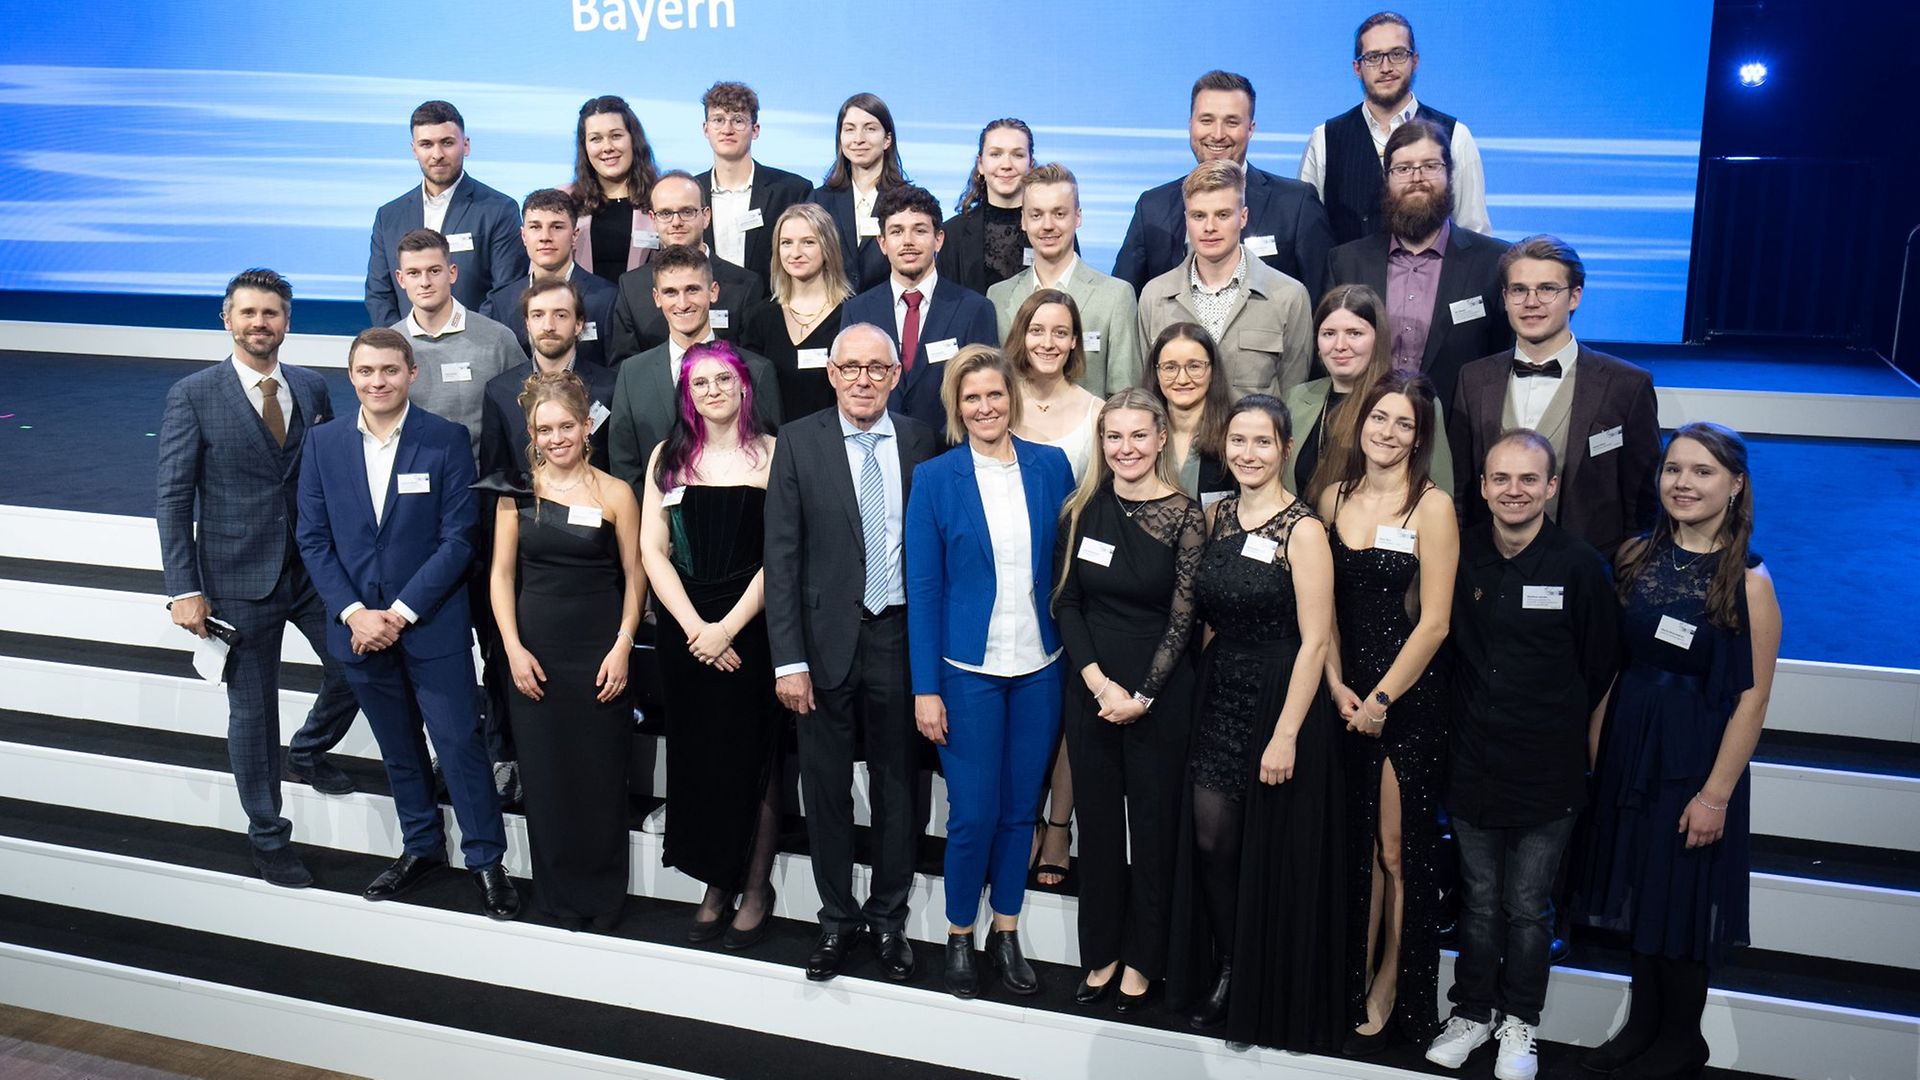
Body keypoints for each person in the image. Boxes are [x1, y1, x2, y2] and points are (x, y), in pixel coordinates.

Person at [1574, 423, 1780, 1080]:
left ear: (1735, 485)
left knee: (1681, 894)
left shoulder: (1748, 582)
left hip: (1693, 755)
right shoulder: (1635, 557)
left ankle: (1682, 1037)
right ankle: (1642, 1023)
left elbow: (1753, 700)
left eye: (1702, 472)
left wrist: (1715, 793)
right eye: (1674, 470)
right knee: (1637, 879)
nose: (1684, 484)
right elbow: (1614, 664)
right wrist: (1599, 752)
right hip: (1631, 740)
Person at [295, 328, 517, 920]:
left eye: (390, 370)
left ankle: (486, 860)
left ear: (412, 374)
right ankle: (421, 848)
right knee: (398, 749)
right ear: (352, 377)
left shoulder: (444, 440)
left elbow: (458, 538)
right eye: (366, 372)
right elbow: (313, 540)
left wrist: (398, 613)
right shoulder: (323, 444)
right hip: (356, 629)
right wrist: (354, 614)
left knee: (458, 744)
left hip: (430, 625)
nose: (378, 381)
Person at [154, 268, 360, 888]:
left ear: (287, 322)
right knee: (252, 712)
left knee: (358, 666)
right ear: (226, 318)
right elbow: (172, 495)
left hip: (312, 570)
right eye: (247, 313)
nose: (259, 323)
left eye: (271, 313)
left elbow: (325, 476)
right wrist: (182, 587)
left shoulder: (312, 386)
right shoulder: (193, 394)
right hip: (236, 579)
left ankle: (308, 749)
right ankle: (268, 837)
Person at [1425, 431, 1619, 1079]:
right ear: (1481, 485)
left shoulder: (1581, 566)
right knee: (1478, 902)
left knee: (1528, 907)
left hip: (1548, 770)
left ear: (1552, 487)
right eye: (1501, 479)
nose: (1514, 491)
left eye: (1529, 480)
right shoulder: (1465, 554)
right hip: (1473, 762)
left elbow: (1599, 667)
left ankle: (1520, 1023)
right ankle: (1472, 1012)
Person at [763, 322, 943, 983]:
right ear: (831, 374)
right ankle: (836, 922)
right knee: (827, 790)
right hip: (821, 644)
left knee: (901, 787)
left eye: (878, 368)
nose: (864, 379)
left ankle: (889, 920)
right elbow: (781, 558)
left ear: (896, 376)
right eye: (851, 368)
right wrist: (788, 660)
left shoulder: (923, 441)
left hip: (899, 635)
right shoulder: (798, 441)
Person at [1174, 394, 1343, 1049]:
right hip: (1220, 690)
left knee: (1268, 847)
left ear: (1285, 449)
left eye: (1262, 442)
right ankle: (1229, 960)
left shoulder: (1303, 530)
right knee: (1213, 838)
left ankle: (1253, 977)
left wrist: (1286, 733)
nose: (1248, 453)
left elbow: (1316, 641)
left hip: (1280, 695)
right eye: (1238, 441)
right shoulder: (1215, 514)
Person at [906, 346, 1075, 999]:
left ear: (1013, 399)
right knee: (972, 814)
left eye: (994, 396)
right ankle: (958, 938)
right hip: (965, 672)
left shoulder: (1052, 466)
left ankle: (1006, 931)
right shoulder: (936, 478)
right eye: (971, 398)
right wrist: (926, 687)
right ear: (957, 407)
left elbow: (1065, 567)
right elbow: (924, 589)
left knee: (1016, 811)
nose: (984, 407)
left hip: (1039, 666)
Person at [1316, 369, 1456, 1054]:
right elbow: (1323, 609)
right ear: (1360, 423)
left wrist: (1377, 701)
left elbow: (1434, 623)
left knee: (1397, 851)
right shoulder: (1332, 494)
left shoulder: (1431, 506)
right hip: (1344, 696)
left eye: (1404, 424)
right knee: (1357, 848)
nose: (1389, 433)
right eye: (1380, 419)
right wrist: (1339, 685)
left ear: (1419, 436)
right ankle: (1353, 974)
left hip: (1405, 699)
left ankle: (1394, 985)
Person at [1052, 388, 1204, 1012]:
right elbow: (1066, 602)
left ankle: (1145, 959)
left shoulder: (1188, 516)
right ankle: (1102, 954)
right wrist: (1097, 684)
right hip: (1091, 690)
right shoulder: (1081, 509)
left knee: (1153, 827)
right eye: (1114, 437)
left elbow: (1184, 619)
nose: (1126, 448)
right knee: (1101, 828)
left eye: (1139, 435)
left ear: (1162, 439)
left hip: (1160, 697)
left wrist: (1140, 694)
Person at [637, 341, 784, 950]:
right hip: (684, 629)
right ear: (687, 395)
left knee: (754, 759)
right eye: (701, 384)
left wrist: (727, 628)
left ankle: (754, 886)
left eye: (724, 379)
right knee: (700, 759)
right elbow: (652, 550)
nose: (714, 391)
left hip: (753, 626)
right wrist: (698, 629)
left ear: (745, 386)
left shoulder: (776, 454)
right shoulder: (666, 458)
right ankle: (714, 884)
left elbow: (782, 554)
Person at [485, 372, 644, 931]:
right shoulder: (515, 492)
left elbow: (635, 576)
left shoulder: (616, 493)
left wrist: (624, 646)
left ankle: (602, 898)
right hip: (535, 654)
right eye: (545, 429)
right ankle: (555, 895)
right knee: (547, 780)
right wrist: (512, 649)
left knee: (600, 776)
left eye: (567, 426)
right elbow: (501, 577)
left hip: (601, 652)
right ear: (532, 433)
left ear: (586, 427)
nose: (557, 438)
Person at [1448, 236, 1660, 559]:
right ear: (1504, 298)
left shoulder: (1626, 385)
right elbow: (1460, 489)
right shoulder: (1473, 378)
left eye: (1547, 289)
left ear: (1574, 296)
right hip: (1488, 573)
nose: (1531, 302)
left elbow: (1642, 503)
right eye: (1519, 290)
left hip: (1588, 577)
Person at [1325, 120, 1509, 408]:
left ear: (1449, 174)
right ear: (1386, 179)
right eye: (1403, 168)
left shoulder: (1493, 263)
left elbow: (1503, 361)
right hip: (1364, 434)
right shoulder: (1346, 262)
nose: (1417, 178)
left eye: (1430, 166)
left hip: (1457, 436)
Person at [1114, 71, 1333, 300]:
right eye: (1206, 120)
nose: (1217, 135)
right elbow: (1122, 299)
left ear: (1251, 128)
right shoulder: (1152, 207)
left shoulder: (1295, 203)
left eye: (1231, 122)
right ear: (1191, 125)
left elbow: (1324, 303)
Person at [1302, 11, 1492, 245]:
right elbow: (1307, 236)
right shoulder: (1324, 139)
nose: (1386, 67)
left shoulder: (1455, 136)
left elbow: (1474, 234)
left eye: (1397, 54)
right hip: (1349, 280)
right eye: (1373, 57)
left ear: (1415, 61)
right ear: (1357, 68)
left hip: (1437, 281)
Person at [605, 244, 784, 490]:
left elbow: (771, 460)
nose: (683, 303)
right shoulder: (632, 373)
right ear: (657, 298)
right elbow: (625, 466)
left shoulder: (756, 370)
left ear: (713, 291)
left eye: (692, 290)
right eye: (670, 292)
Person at [1138, 161, 1312, 402]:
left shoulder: (1289, 296)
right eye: (1199, 216)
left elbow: (1294, 398)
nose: (1210, 227)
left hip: (1252, 438)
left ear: (1243, 217)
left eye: (1222, 215)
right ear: (1186, 219)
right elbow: (1148, 394)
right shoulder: (1154, 296)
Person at [840, 184, 1000, 431]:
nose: (908, 241)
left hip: (949, 456)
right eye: (896, 231)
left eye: (919, 230)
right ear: (882, 243)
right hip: (876, 455)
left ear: (938, 239)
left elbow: (986, 395)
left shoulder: (975, 309)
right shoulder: (857, 311)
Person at [1286, 284, 1454, 501]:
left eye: (1354, 333)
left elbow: (1440, 494)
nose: (1340, 345)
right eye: (1329, 333)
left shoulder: (1413, 401)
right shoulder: (1295, 398)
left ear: (1378, 338)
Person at [366, 100, 526, 327]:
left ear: (466, 145)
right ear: (414, 150)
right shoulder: (389, 216)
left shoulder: (499, 209)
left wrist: (468, 340)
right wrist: (400, 346)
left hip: (478, 351)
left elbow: (505, 290)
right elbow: (378, 294)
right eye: (426, 144)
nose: (437, 154)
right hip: (405, 354)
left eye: (447, 142)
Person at [988, 163, 1143, 397]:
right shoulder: (998, 296)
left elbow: (1124, 394)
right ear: (1023, 221)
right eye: (1037, 215)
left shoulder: (1115, 296)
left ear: (1078, 216)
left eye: (1059, 213)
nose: (1048, 225)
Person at [389, 227, 525, 463]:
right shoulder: (391, 345)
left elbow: (523, 412)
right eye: (414, 273)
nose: (425, 282)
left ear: (452, 273)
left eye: (434, 271)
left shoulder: (498, 339)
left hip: (482, 481)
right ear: (401, 279)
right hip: (412, 476)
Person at [605, 172, 765, 361]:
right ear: (653, 219)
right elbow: (624, 367)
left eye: (687, 211)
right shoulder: (631, 286)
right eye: (665, 213)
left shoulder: (746, 284)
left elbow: (753, 365)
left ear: (706, 216)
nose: (676, 222)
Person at [480, 279, 618, 479]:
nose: (548, 326)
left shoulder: (612, 387)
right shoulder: (499, 391)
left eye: (560, 315)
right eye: (538, 315)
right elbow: (495, 476)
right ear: (527, 323)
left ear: (579, 324)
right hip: (523, 507)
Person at [696, 81, 813, 297]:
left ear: (755, 130)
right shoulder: (691, 193)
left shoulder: (791, 191)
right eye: (718, 120)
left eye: (738, 121)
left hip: (772, 311)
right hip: (705, 312)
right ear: (706, 129)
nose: (727, 129)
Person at [739, 202, 854, 419]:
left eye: (808, 242)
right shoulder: (759, 317)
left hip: (834, 440)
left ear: (828, 247)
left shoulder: (852, 314)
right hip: (774, 442)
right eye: (786, 243)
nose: (796, 253)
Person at [484, 188, 619, 370]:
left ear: (575, 234)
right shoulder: (500, 303)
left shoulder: (608, 299)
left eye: (557, 227)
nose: (545, 237)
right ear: (524, 236)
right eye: (535, 227)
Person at [809, 93, 908, 291]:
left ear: (887, 139)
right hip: (831, 313)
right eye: (849, 129)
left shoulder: (907, 201)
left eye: (870, 129)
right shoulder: (819, 200)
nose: (858, 139)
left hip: (887, 313)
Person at [1008, 289, 1103, 482]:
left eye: (1060, 333)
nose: (1048, 343)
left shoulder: (1096, 413)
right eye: (1037, 331)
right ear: (1022, 336)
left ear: (1073, 341)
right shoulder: (1001, 405)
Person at [567, 95, 662, 284]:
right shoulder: (565, 200)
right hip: (584, 309)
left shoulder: (662, 197)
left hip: (647, 309)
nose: (607, 147)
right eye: (596, 139)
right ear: (584, 147)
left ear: (633, 140)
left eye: (616, 136)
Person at [1141, 323, 1236, 506]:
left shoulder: (1234, 437)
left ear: (1212, 371)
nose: (1182, 379)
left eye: (1194, 366)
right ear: (1156, 373)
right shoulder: (1138, 437)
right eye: (1170, 367)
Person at [935, 119, 1034, 294]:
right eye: (996, 154)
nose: (1006, 165)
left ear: (1031, 165)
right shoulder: (952, 233)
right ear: (980, 164)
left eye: (1018, 155)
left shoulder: (1052, 229)